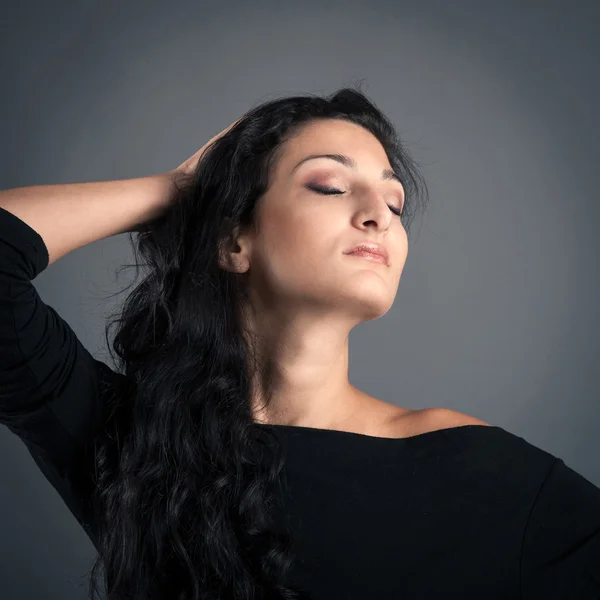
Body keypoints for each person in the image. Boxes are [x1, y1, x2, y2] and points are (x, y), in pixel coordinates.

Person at [0, 87, 598, 600]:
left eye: (395, 201)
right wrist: (182, 188)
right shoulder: (135, 444)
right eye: (331, 186)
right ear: (234, 242)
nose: (380, 215)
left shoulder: (480, 472)